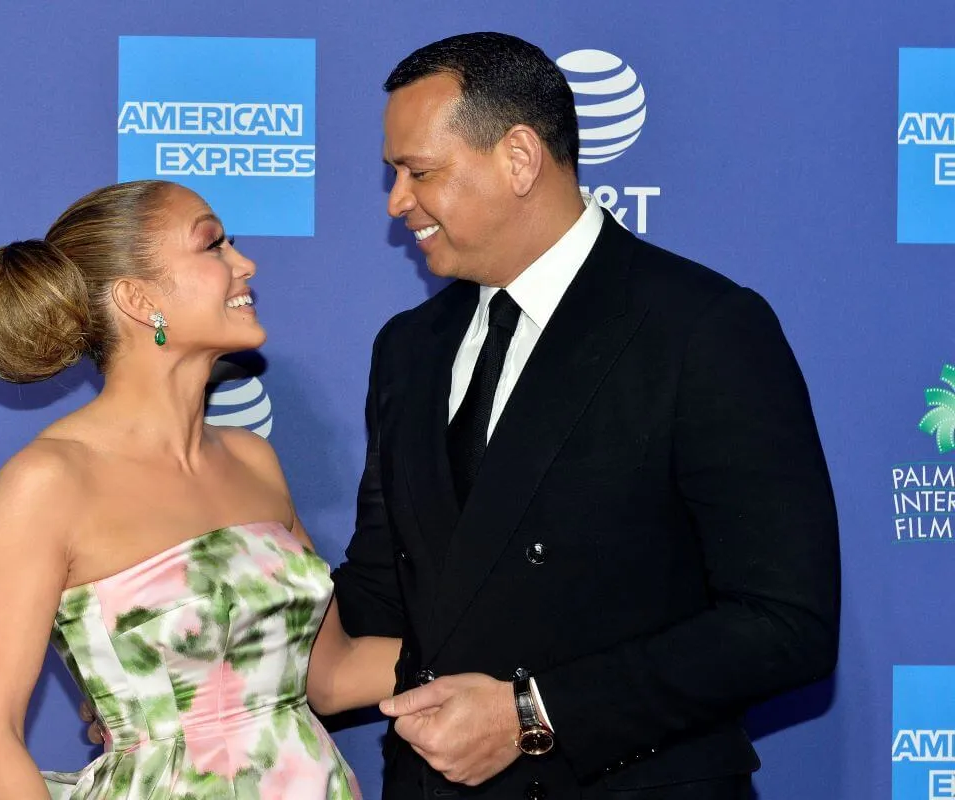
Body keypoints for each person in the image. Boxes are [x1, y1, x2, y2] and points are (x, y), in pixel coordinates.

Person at [328, 32, 841, 800]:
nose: (397, 201)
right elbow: (380, 589)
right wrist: (182, 694)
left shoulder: (698, 327)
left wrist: (533, 713)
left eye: (419, 171)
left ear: (520, 158)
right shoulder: (409, 348)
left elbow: (784, 623)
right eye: (394, 173)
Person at [0, 180, 400, 799]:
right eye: (213, 245)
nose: (245, 264)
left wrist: (528, 662)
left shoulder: (254, 459)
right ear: (138, 299)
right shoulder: (46, 485)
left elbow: (332, 675)